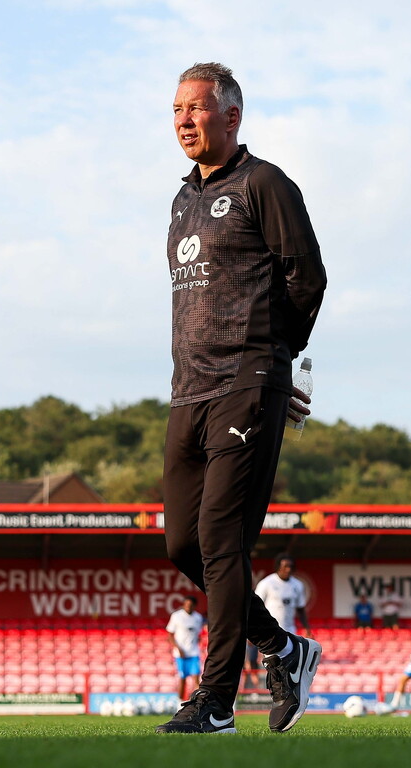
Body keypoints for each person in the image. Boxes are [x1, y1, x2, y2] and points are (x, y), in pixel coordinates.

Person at [155, 62, 327, 736]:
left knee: (222, 541)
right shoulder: (181, 202)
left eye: (196, 108)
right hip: (186, 392)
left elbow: (307, 277)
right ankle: (285, 649)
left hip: (246, 383)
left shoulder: (266, 184)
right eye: (175, 111)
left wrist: (276, 367)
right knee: (181, 546)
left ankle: (217, 702)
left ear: (232, 116)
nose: (184, 121)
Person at [254, 554, 312, 637]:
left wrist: (307, 629)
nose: (288, 569)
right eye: (285, 566)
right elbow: (256, 607)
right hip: (269, 631)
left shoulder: (298, 585)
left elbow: (301, 609)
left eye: (290, 567)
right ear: (278, 567)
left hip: (290, 631)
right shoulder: (266, 583)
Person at [166, 596, 206, 700]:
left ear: (194, 606)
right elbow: (170, 634)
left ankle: (197, 702)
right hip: (181, 654)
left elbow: (198, 634)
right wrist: (178, 648)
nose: (188, 607)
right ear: (183, 605)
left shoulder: (198, 618)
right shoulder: (176, 616)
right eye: (186, 605)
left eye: (190, 605)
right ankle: (179, 703)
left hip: (193, 653)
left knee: (196, 678)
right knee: (182, 678)